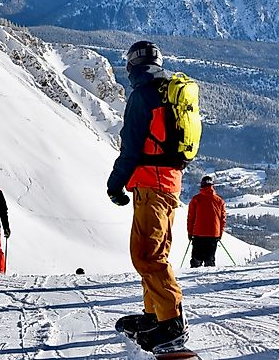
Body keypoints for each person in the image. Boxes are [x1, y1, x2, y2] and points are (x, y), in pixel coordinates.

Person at [107, 41, 188, 353]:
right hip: (169, 185)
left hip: (151, 186)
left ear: (131, 66)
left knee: (146, 255)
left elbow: (130, 148)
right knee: (155, 253)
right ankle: (154, 314)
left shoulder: (142, 95)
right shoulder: (168, 91)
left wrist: (115, 185)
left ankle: (171, 323)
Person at [187, 175, 226, 267]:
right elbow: (222, 220)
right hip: (213, 234)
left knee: (196, 260)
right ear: (212, 185)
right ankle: (209, 280)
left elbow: (191, 218)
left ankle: (193, 280)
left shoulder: (196, 199)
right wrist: (220, 234)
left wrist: (190, 233)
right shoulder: (220, 201)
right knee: (210, 260)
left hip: (198, 233)